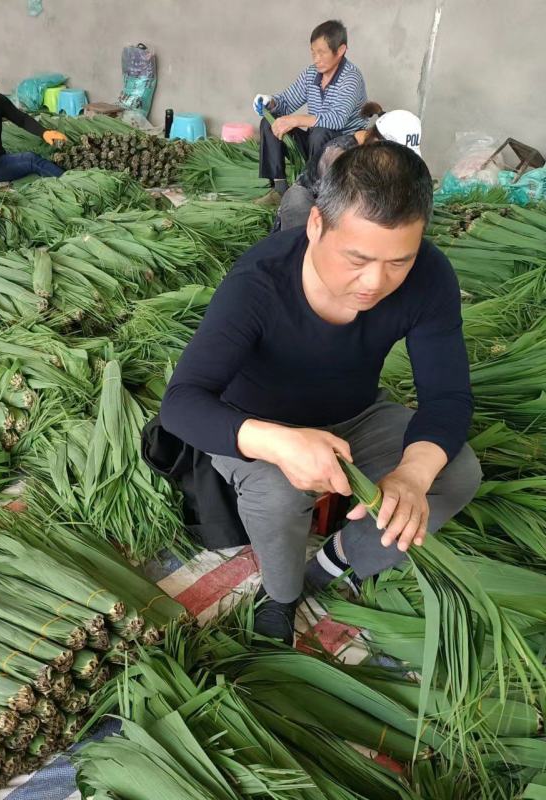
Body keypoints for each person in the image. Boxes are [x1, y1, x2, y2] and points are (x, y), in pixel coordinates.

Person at [160, 143, 482, 645]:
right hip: (259, 420)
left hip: (355, 413)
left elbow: (448, 397)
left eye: (399, 261)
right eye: (357, 258)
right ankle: (281, 595)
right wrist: (279, 443)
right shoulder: (259, 284)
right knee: (279, 490)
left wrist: (414, 473)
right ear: (315, 225)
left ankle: (337, 561)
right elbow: (181, 402)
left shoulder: (429, 277)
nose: (375, 282)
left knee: (455, 471)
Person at [253, 20, 368, 194]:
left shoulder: (351, 78)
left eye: (322, 53)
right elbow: (286, 102)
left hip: (343, 152)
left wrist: (296, 120)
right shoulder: (311, 74)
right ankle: (279, 190)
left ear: (341, 50)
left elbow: (336, 119)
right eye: (313, 53)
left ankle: (315, 193)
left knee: (320, 131)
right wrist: (271, 102)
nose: (316, 59)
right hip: (316, 145)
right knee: (270, 123)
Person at [277, 103, 422, 231]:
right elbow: (338, 210)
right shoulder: (339, 155)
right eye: (395, 156)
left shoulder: (376, 155)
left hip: (350, 211)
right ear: (377, 142)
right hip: (315, 209)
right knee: (297, 200)